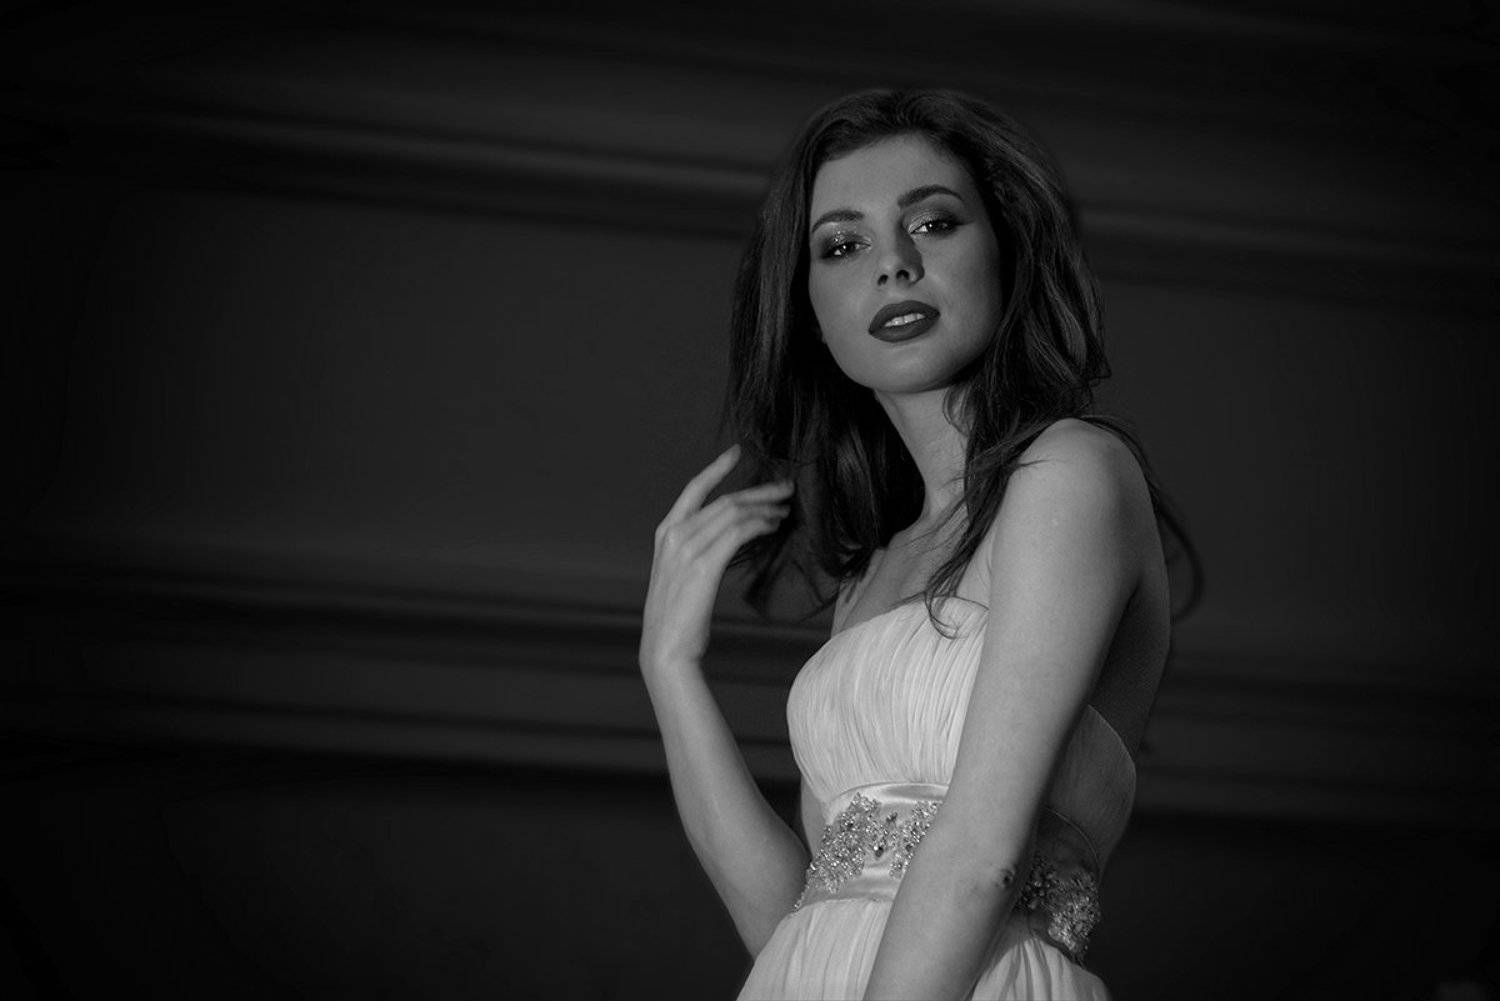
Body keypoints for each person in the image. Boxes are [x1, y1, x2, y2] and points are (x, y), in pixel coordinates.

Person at [638, 88, 1200, 1001]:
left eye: (933, 223)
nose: (894, 264)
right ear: (810, 309)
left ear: (1005, 249)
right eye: (842, 245)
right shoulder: (873, 576)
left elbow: (981, 856)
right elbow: (797, 921)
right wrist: (669, 668)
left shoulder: (1071, 473)